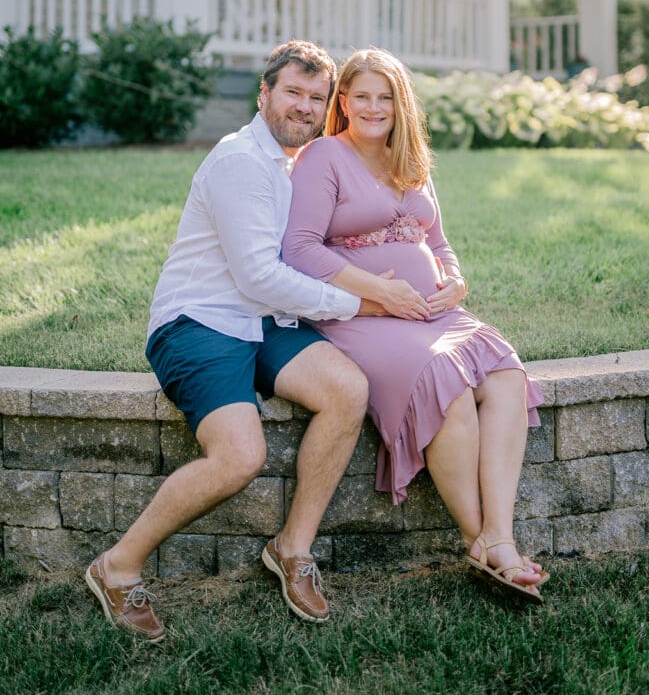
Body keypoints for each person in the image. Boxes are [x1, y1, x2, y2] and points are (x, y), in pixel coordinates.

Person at [85, 41, 431, 642]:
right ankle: (117, 567)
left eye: (317, 98)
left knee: (347, 388)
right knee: (240, 456)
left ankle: (292, 550)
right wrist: (365, 301)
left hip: (267, 321)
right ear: (264, 93)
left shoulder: (299, 162)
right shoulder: (241, 162)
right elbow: (258, 275)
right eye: (293, 92)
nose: (304, 106)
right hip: (201, 322)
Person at [282, 48, 549, 605]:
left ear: (400, 104)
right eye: (362, 96)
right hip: (366, 317)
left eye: (385, 97)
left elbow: (438, 242)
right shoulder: (325, 156)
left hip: (434, 313)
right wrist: (380, 290)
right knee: (442, 385)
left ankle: (500, 533)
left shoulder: (413, 159)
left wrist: (454, 279)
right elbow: (300, 249)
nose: (374, 107)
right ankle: (483, 543)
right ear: (344, 102)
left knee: (503, 372)